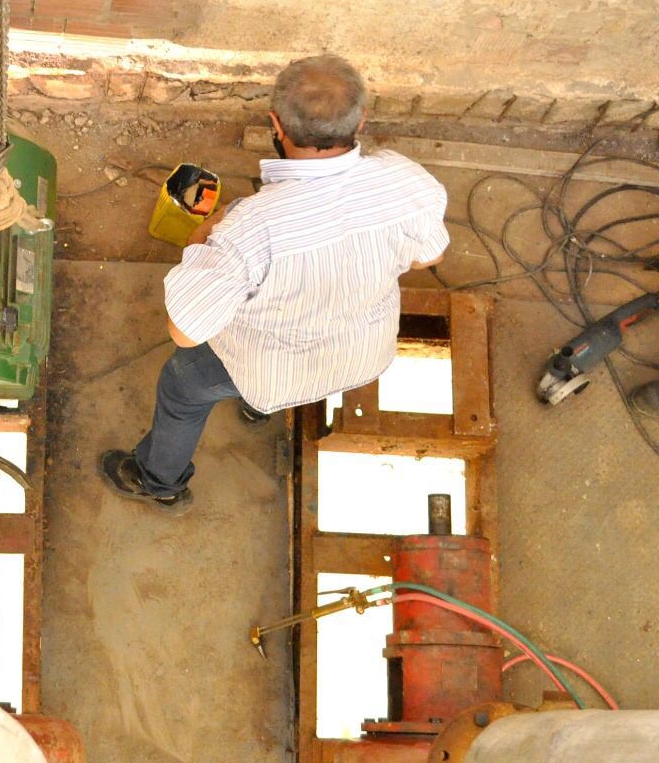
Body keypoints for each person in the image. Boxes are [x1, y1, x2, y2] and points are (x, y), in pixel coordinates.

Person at [101, 54, 448, 513]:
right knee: (273, 360)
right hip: (363, 354)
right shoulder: (404, 180)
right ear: (360, 121)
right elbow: (431, 255)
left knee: (182, 387)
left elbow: (185, 331)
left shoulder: (249, 229)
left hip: (269, 367)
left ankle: (160, 481)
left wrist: (203, 235)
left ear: (275, 124)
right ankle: (258, 408)